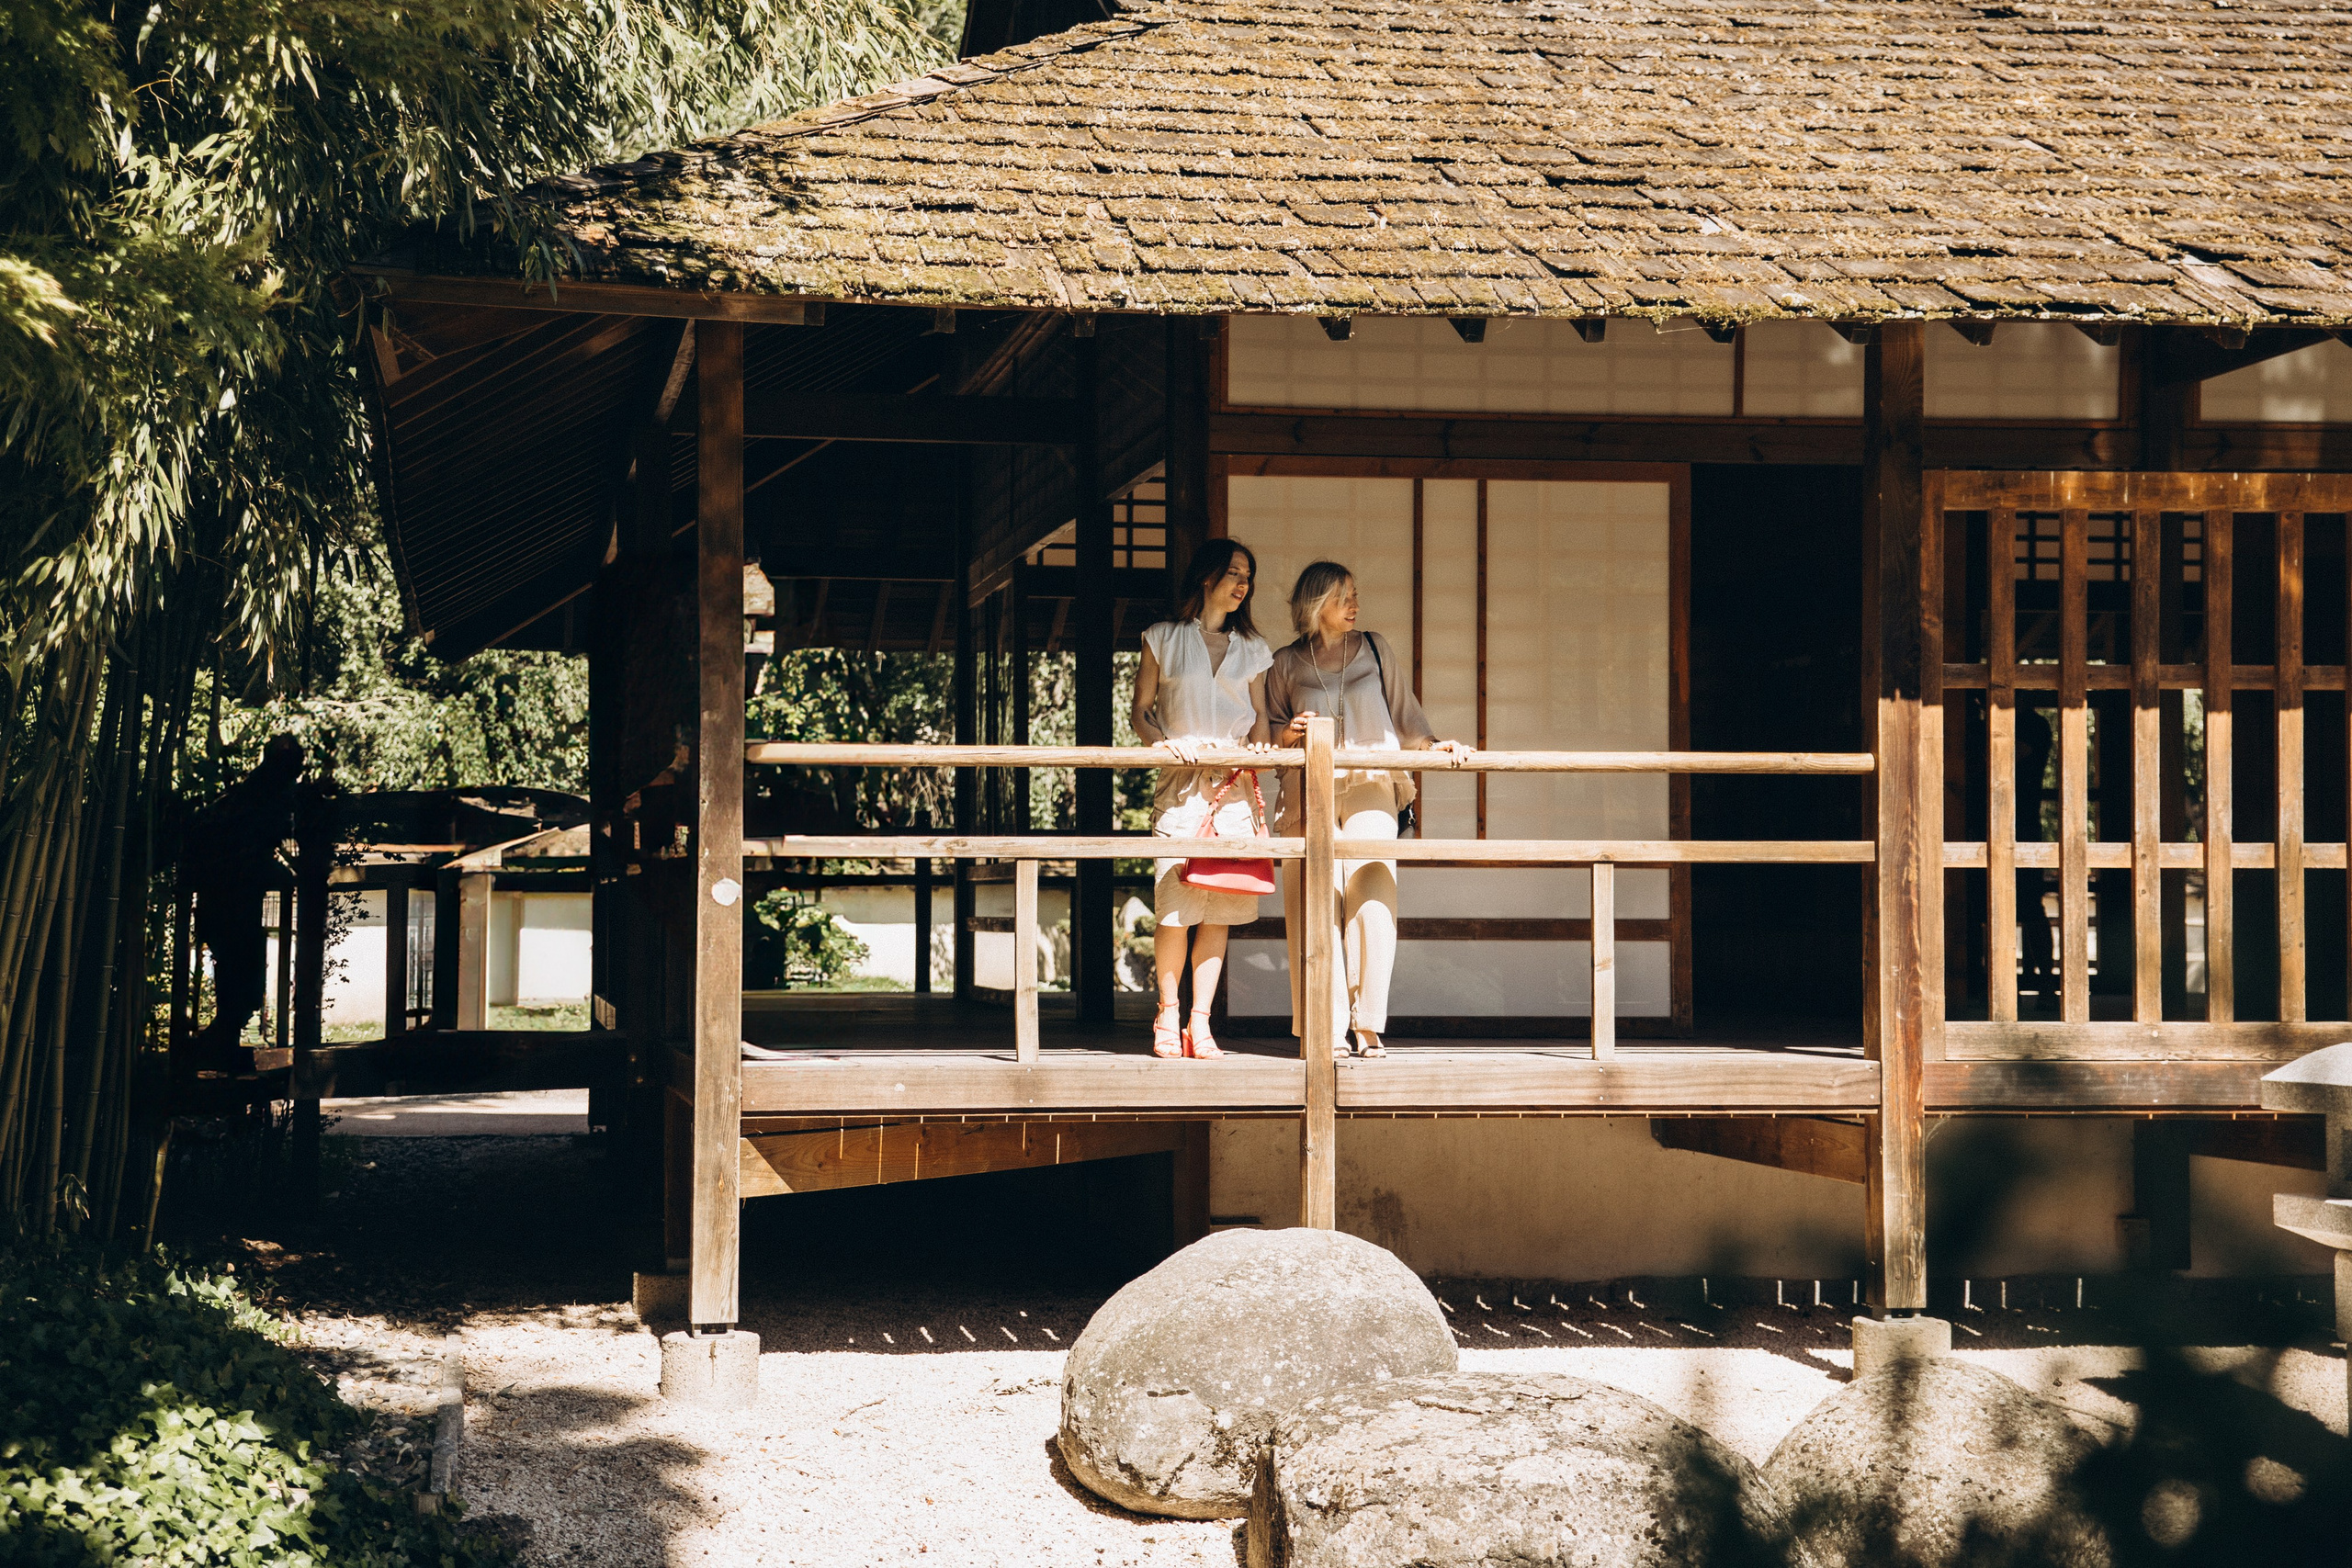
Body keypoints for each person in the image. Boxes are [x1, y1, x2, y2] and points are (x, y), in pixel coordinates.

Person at [1267, 562, 1473, 1058]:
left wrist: (1435, 746)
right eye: (1343, 598)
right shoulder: (1285, 663)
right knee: (1314, 903)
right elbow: (1269, 739)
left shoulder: (1376, 648)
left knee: (1374, 897)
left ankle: (1367, 1022)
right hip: (1307, 789)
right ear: (1317, 606)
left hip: (1371, 782)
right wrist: (1291, 733)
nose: (1355, 605)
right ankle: (1324, 1023)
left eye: (1355, 595)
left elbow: (1408, 719)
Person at [1131, 539, 1277, 1059]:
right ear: (1206, 577)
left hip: (1235, 789)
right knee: (1176, 909)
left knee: (1220, 908)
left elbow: (1259, 715)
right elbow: (1141, 710)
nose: (1243, 585)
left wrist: (1257, 752)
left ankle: (1201, 1022)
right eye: (1235, 573)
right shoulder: (1163, 638)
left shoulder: (1254, 649)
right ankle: (1167, 1016)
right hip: (1181, 786)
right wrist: (1162, 745)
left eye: (1248, 577)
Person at [180, 734, 306, 1076]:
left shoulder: (257, 794)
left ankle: (223, 1038)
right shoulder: (262, 798)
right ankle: (221, 1039)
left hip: (230, 900)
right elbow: (257, 849)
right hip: (229, 899)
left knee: (241, 971)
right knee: (242, 972)